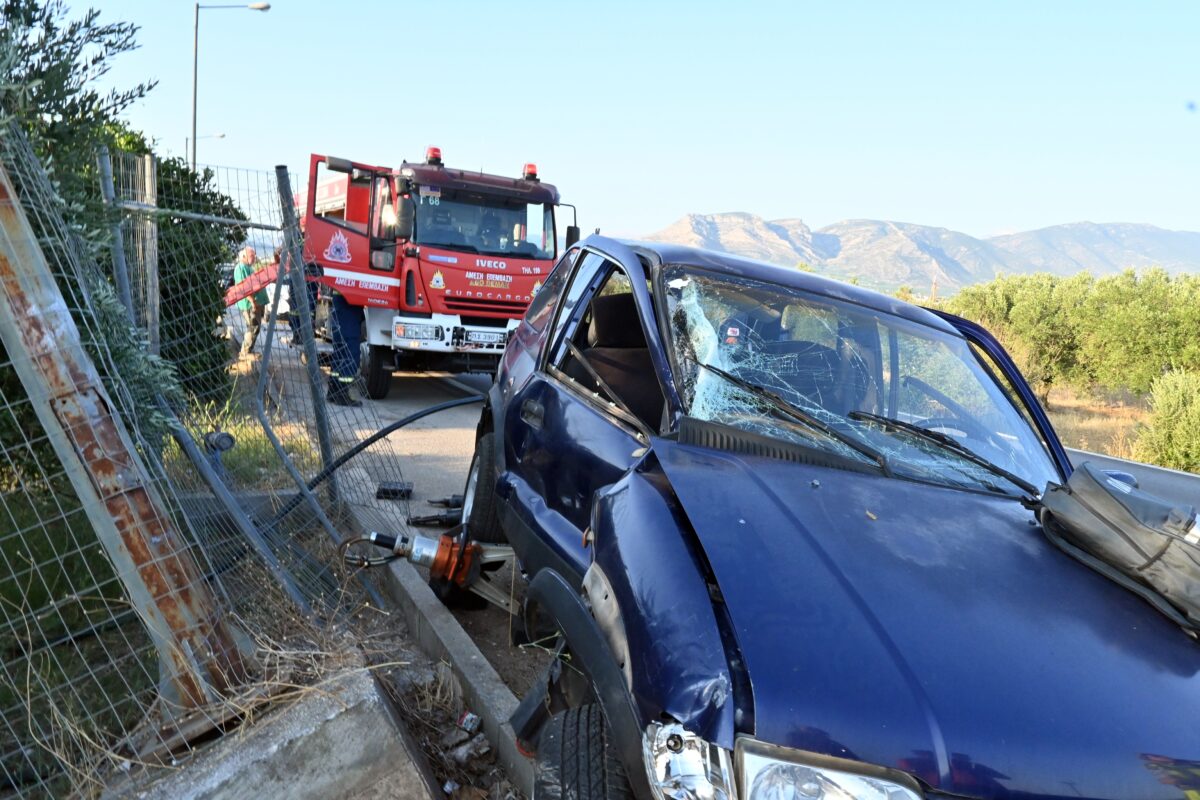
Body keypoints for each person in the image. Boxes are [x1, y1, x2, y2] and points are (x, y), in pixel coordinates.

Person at [327, 292, 363, 407]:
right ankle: (342, 395)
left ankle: (333, 392)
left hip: (342, 307)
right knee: (350, 356)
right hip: (349, 308)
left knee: (339, 356)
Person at [234, 246, 268, 356]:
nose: (254, 258)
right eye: (251, 256)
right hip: (249, 304)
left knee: (256, 327)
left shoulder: (248, 267)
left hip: (256, 303)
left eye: (254, 255)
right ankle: (245, 352)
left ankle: (248, 350)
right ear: (244, 256)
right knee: (253, 327)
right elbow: (242, 288)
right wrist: (253, 302)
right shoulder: (240, 268)